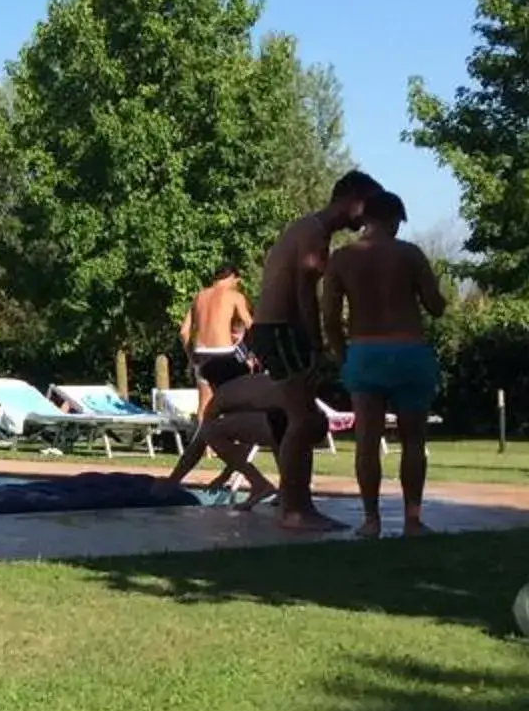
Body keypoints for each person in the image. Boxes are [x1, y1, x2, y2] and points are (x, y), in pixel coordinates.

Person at [248, 169, 385, 531]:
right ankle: (294, 510)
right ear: (351, 198)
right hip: (280, 330)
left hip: (275, 329)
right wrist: (315, 342)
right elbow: (304, 292)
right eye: (368, 205)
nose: (370, 215)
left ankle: (296, 504)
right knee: (304, 419)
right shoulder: (314, 233)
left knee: (302, 418)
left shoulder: (307, 228)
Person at [320, 190, 447, 538]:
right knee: (413, 441)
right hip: (408, 350)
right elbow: (436, 306)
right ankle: (413, 519)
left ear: (365, 219)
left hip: (364, 352)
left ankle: (371, 519)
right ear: (394, 219)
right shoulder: (410, 254)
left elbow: (330, 318)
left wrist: (343, 356)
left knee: (366, 441)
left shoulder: (342, 258)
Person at [168, 367, 285, 504]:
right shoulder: (254, 384)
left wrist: (172, 481)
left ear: (214, 384)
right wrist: (224, 476)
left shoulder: (223, 393)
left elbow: (201, 441)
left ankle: (260, 484)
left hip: (279, 425)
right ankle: (287, 491)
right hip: (300, 423)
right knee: (279, 433)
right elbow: (247, 444)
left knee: (211, 431)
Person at [183, 263, 254, 392]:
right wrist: (251, 354)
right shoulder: (235, 296)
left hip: (201, 353)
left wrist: (192, 358)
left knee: (205, 403)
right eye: (237, 282)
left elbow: (183, 331)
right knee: (233, 396)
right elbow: (251, 326)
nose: (237, 286)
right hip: (224, 353)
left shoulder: (199, 297)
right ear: (233, 277)